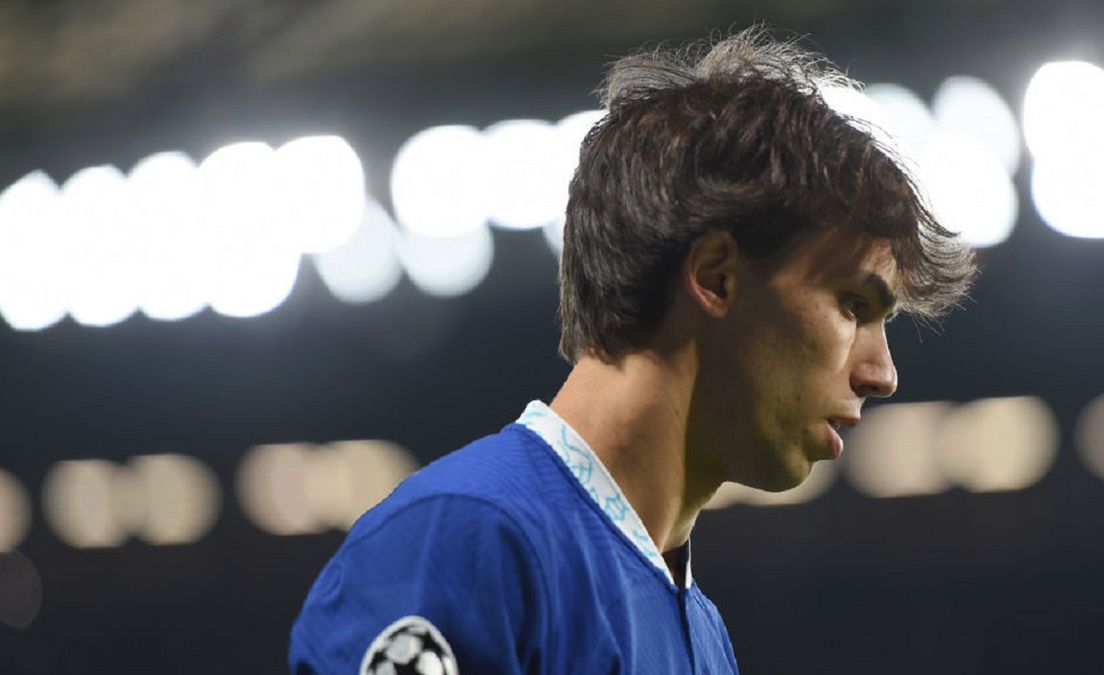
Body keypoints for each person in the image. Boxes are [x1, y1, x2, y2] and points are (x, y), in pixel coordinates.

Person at [289, 26, 976, 675]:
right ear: (717, 278)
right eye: (853, 306)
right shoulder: (464, 540)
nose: (882, 373)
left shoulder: (701, 631)